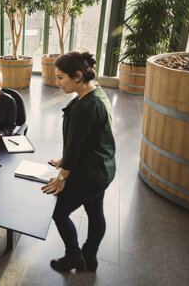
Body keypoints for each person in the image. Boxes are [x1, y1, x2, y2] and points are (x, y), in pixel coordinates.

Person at [41, 51, 116, 273]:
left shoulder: (86, 106)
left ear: (77, 75)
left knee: (59, 212)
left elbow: (76, 145)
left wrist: (62, 177)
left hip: (91, 174)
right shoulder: (94, 92)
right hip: (103, 170)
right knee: (95, 212)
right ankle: (90, 256)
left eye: (61, 77)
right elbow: (86, 137)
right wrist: (65, 158)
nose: (57, 83)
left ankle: (74, 256)